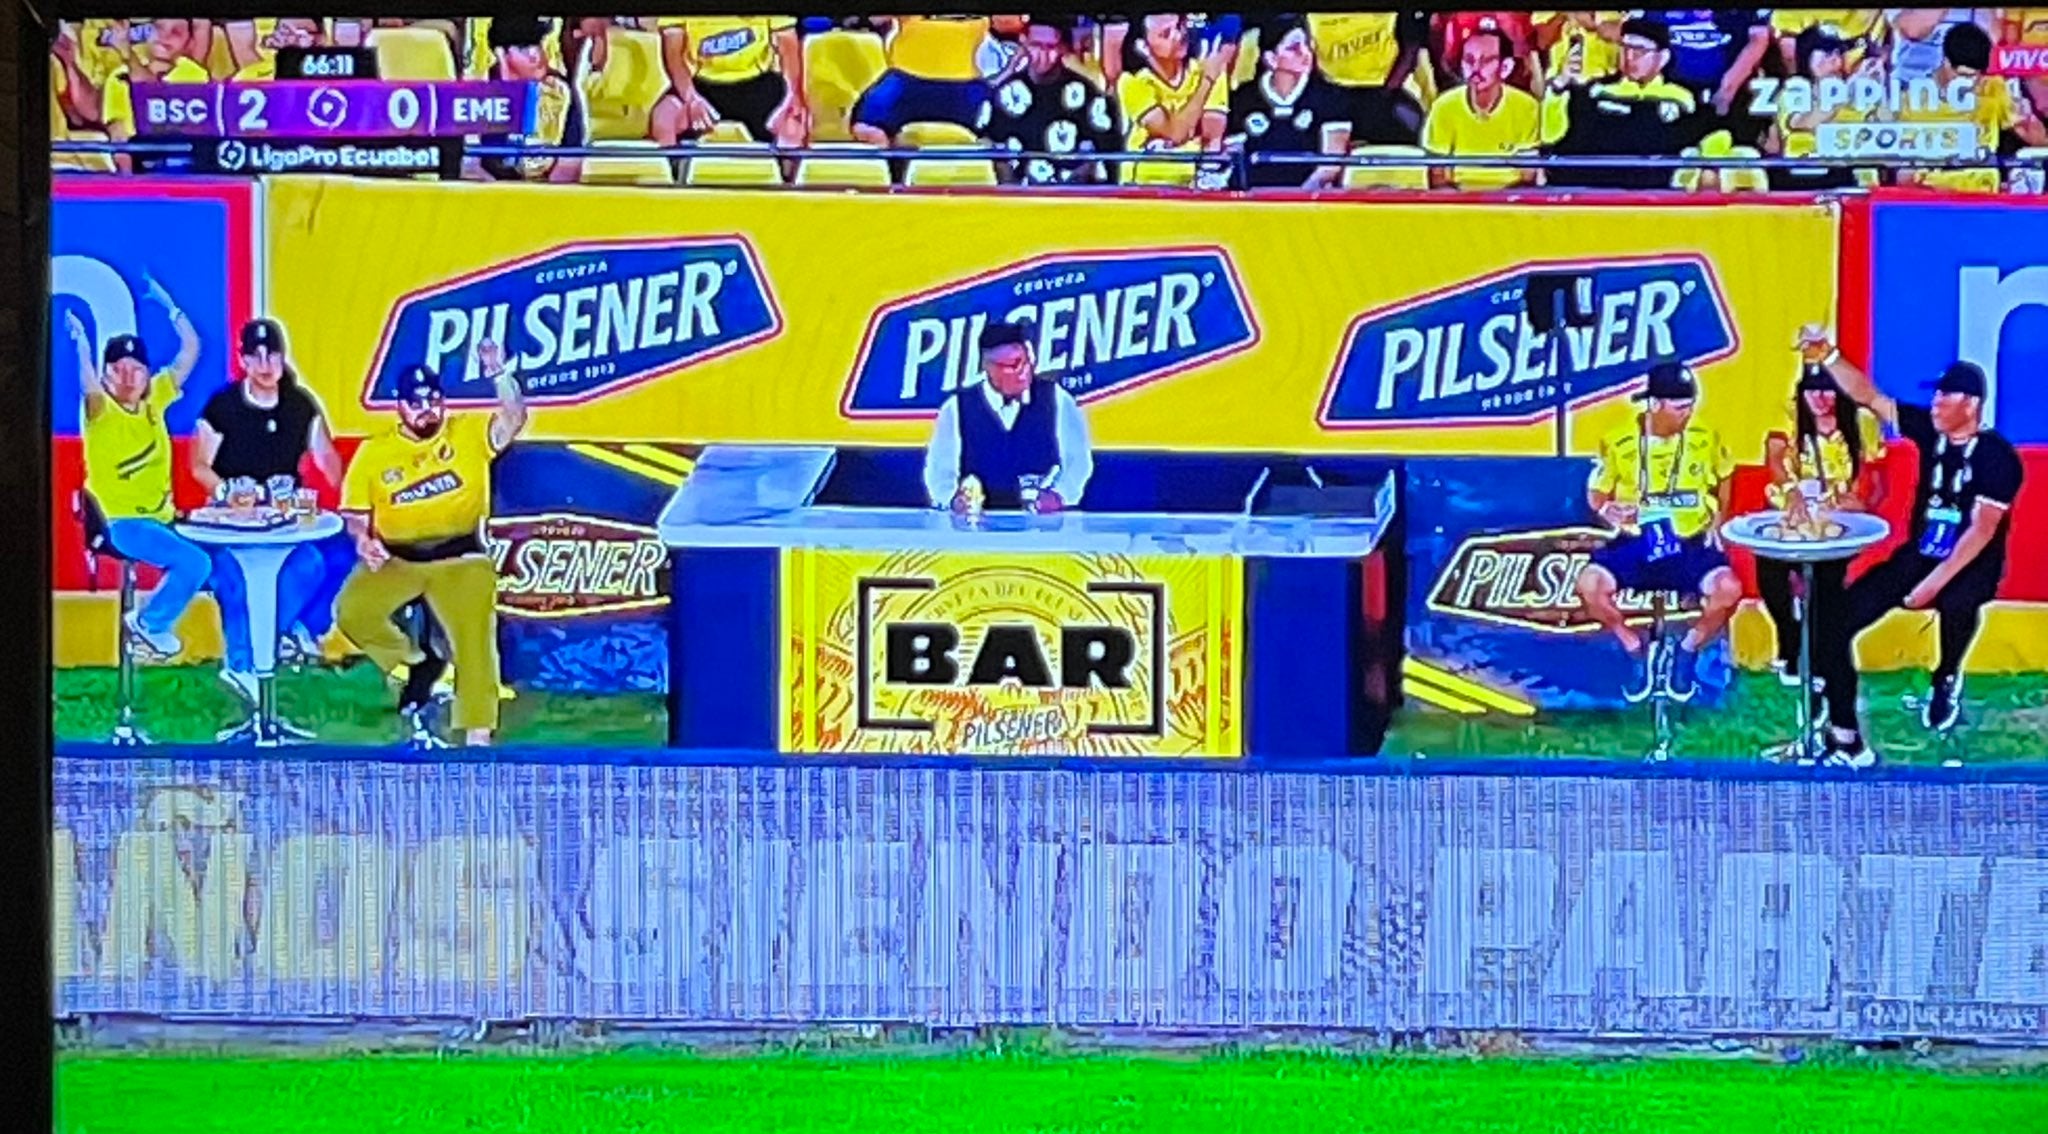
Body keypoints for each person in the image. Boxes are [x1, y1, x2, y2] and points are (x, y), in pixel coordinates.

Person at [1800, 330, 2024, 768]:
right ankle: (1841, 726)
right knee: (1838, 618)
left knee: (1957, 603)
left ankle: (1945, 678)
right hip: (1920, 553)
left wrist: (1930, 586)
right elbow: (1870, 398)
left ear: (1971, 405)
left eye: (1945, 396)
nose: (1935, 403)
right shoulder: (1929, 431)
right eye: (1935, 395)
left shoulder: (1998, 458)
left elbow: (1979, 533)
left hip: (1971, 562)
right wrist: (1828, 356)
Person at [336, 344, 528, 747]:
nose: (427, 410)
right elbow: (355, 514)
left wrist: (499, 373)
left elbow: (514, 418)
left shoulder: (467, 432)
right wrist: (364, 540)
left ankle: (478, 735)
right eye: (417, 403)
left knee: (475, 638)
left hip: (460, 555)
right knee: (352, 611)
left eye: (434, 400)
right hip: (399, 557)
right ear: (400, 406)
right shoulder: (375, 451)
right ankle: (415, 664)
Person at [190, 319, 354, 703]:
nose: (265, 365)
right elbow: (199, 466)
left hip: (284, 522)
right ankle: (242, 663)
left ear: (283, 358)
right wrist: (228, 492)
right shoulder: (222, 406)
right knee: (231, 576)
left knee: (329, 557)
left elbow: (327, 458)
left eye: (272, 355)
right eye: (256, 356)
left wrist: (350, 499)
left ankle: (287, 633)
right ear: (243, 360)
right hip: (232, 523)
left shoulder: (300, 405)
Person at [1574, 362, 1743, 700]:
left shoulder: (1704, 438)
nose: (1687, 414)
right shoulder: (1619, 441)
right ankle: (1634, 648)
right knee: (1588, 586)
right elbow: (1597, 493)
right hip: (1636, 542)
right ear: (1654, 404)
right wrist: (1607, 511)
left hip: (1689, 542)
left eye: (1690, 406)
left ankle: (1687, 648)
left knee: (1729, 589)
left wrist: (1718, 521)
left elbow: (1725, 477)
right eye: (1679, 407)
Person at [67, 281, 205, 660]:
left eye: (136, 369)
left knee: (224, 560)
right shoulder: (101, 413)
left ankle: (243, 662)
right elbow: (89, 386)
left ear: (147, 374)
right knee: (195, 562)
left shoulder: (155, 399)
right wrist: (81, 345)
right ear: (106, 374)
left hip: (164, 518)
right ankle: (149, 624)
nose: (128, 377)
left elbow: (191, 350)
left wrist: (169, 304)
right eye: (118, 369)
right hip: (121, 524)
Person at [1756, 363, 1888, 688]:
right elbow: (1775, 459)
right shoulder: (1787, 415)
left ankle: (1818, 656)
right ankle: (1789, 640)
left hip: (1838, 521)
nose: (1819, 398)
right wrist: (1792, 491)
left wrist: (1859, 501)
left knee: (1826, 582)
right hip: (1791, 515)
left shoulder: (1863, 422)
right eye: (1811, 390)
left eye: (1828, 390)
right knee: (1769, 570)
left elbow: (1875, 481)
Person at [922, 320, 1094, 515]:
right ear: (988, 367)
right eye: (1013, 365)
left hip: (1041, 525)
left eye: (1026, 362)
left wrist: (1059, 497)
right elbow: (939, 473)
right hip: (978, 525)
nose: (1024, 372)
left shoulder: (1058, 399)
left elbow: (1078, 463)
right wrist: (954, 500)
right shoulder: (956, 408)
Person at [1540, 17, 1700, 190]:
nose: (1629, 57)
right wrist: (1559, 85)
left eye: (1639, 51)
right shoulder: (1596, 91)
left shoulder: (1681, 97)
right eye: (1625, 48)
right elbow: (1551, 135)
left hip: (1654, 191)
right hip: (1593, 186)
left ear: (1663, 58)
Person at [1891, 22, 2047, 195]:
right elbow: (1903, 173)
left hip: (1982, 193)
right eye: (1964, 75)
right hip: (1933, 194)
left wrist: (2028, 122)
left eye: (1975, 76)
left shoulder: (1994, 88)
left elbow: (2039, 140)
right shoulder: (1912, 100)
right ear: (1946, 63)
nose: (1970, 83)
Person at [984, 16, 1121, 186]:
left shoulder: (1088, 95)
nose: (1043, 55)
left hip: (1074, 196)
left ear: (1063, 48)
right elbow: (996, 156)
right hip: (1020, 198)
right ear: (1024, 42)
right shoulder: (1004, 94)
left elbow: (1106, 154)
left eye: (1050, 47)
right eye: (1036, 45)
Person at [1226, 15, 1353, 189]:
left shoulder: (1332, 97)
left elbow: (1330, 166)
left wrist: (1298, 197)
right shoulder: (1243, 99)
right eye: (1294, 48)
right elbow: (1235, 159)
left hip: (1309, 198)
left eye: (1307, 45)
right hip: (1255, 197)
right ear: (1271, 59)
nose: (1305, 54)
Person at [1115, 13, 1233, 188]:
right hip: (1143, 185)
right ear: (1143, 47)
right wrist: (1206, 83)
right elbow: (1174, 134)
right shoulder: (1132, 82)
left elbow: (1211, 135)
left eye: (1179, 27)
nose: (1179, 36)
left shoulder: (1208, 69)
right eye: (1166, 34)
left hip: (1195, 184)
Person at [652, 16, 807, 148]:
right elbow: (673, 55)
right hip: (700, 85)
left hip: (758, 83)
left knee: (793, 124)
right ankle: (672, 171)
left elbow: (788, 45)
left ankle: (784, 173)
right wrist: (691, 98)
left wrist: (791, 95)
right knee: (664, 117)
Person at [1421, 24, 1542, 189]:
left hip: (1509, 199)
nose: (1475, 69)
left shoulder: (1527, 106)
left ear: (1505, 67)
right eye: (1469, 60)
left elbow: (1528, 177)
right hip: (1459, 198)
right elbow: (1437, 176)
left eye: (1486, 61)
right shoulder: (1444, 106)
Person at [1632, 8, 1773, 146]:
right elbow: (1640, 39)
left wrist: (1728, 88)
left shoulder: (1741, 14)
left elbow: (1759, 39)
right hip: (1671, 96)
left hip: (1728, 95)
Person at [851, 15, 994, 146]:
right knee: (865, 128)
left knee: (997, 135)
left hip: (965, 89)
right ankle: (893, 164)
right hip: (905, 84)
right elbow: (875, 19)